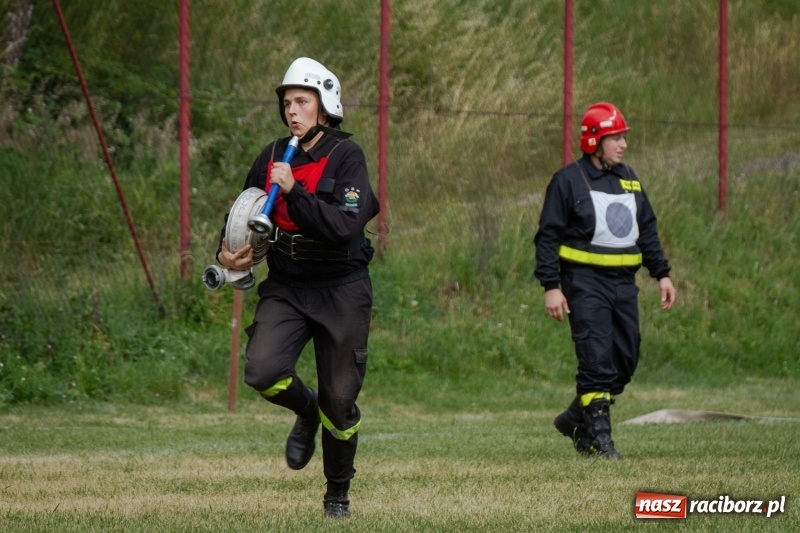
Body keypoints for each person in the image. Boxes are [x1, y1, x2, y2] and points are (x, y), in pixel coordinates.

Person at [215, 57, 380, 517]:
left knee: (339, 402)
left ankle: (337, 495)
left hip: (341, 288)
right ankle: (305, 410)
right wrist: (225, 252)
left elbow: (343, 228)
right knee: (262, 371)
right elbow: (241, 212)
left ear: (325, 106)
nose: (292, 111)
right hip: (287, 285)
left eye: (302, 101)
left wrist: (294, 192)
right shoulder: (270, 155)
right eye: (287, 103)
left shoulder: (347, 156)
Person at [533, 102, 676, 459]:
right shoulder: (567, 181)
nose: (623, 144)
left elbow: (647, 229)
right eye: (615, 138)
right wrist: (551, 286)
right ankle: (599, 440)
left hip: (623, 285)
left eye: (623, 137)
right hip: (584, 284)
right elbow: (548, 236)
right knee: (596, 359)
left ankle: (573, 418)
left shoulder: (629, 179)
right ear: (594, 141)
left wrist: (662, 274)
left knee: (624, 360)